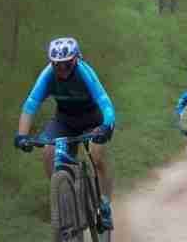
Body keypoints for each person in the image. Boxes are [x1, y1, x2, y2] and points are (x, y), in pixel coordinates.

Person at [14, 37, 116, 230]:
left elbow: (104, 102)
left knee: (97, 155)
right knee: (48, 153)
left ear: (75, 60)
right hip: (64, 120)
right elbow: (31, 105)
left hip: (92, 120)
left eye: (66, 65)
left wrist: (107, 125)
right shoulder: (47, 75)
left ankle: (104, 204)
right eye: (57, 66)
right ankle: (63, 198)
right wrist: (22, 135)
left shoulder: (84, 72)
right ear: (51, 63)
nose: (61, 70)